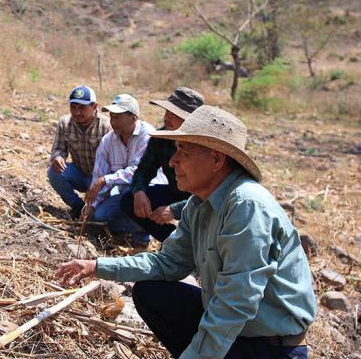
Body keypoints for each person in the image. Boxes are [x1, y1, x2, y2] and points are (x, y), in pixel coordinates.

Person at [56, 105, 317, 359]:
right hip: (236, 333)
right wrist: (97, 266)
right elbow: (168, 262)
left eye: (184, 151)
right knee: (151, 293)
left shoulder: (246, 205)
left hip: (271, 348)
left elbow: (234, 305)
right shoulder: (199, 203)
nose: (172, 161)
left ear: (216, 159)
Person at [120, 87, 204, 242]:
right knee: (128, 200)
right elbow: (144, 170)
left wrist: (174, 210)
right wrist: (139, 191)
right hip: (174, 190)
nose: (167, 117)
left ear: (189, 120)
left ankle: (195, 246)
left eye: (174, 114)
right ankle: (173, 242)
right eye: (167, 111)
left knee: (203, 221)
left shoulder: (203, 148)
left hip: (201, 200)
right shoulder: (160, 138)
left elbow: (210, 197)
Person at [83, 94, 164, 247]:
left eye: (118, 118)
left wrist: (106, 180)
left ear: (133, 118)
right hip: (124, 193)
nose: (113, 122)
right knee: (99, 216)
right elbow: (99, 174)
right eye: (112, 117)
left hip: (150, 190)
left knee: (136, 196)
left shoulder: (147, 135)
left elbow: (138, 171)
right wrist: (91, 205)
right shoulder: (108, 141)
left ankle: (142, 234)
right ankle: (132, 226)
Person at [48, 86, 112, 219]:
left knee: (100, 215)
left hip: (101, 180)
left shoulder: (107, 126)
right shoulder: (65, 123)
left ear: (94, 106)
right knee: (54, 172)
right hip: (80, 173)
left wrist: (99, 183)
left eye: (82, 108)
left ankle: (94, 209)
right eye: (73, 107)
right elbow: (58, 149)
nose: (77, 112)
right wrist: (58, 157)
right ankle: (78, 206)